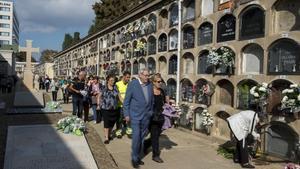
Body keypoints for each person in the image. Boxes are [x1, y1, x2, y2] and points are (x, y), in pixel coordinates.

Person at [123, 68, 154, 168]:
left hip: (146, 116)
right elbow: (126, 101)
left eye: (148, 75)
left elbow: (151, 99)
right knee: (136, 138)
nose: (147, 77)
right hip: (135, 116)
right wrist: (126, 114)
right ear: (140, 75)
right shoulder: (133, 84)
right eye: (145, 75)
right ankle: (134, 158)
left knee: (141, 138)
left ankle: (138, 156)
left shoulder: (149, 84)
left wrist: (150, 112)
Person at [144, 73, 165, 163]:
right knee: (155, 136)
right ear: (153, 82)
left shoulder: (162, 92)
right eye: (158, 81)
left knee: (156, 135)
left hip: (160, 117)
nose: (160, 83)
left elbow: (163, 103)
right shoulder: (148, 92)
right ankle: (155, 155)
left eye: (161, 81)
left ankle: (146, 144)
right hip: (151, 117)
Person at [101, 74, 121, 144]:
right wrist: (98, 104)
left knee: (112, 123)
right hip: (105, 108)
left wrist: (125, 103)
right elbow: (99, 96)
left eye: (114, 80)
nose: (113, 82)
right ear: (108, 80)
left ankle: (109, 134)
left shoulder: (116, 87)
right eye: (111, 80)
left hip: (114, 108)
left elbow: (119, 97)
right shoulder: (104, 87)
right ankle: (106, 138)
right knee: (106, 122)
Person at [115, 71, 131, 138]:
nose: (128, 79)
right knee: (119, 119)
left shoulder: (129, 84)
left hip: (128, 106)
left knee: (129, 119)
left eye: (129, 77)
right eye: (127, 77)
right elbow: (117, 96)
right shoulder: (117, 84)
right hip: (120, 106)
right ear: (123, 76)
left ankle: (129, 131)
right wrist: (123, 103)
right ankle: (118, 132)